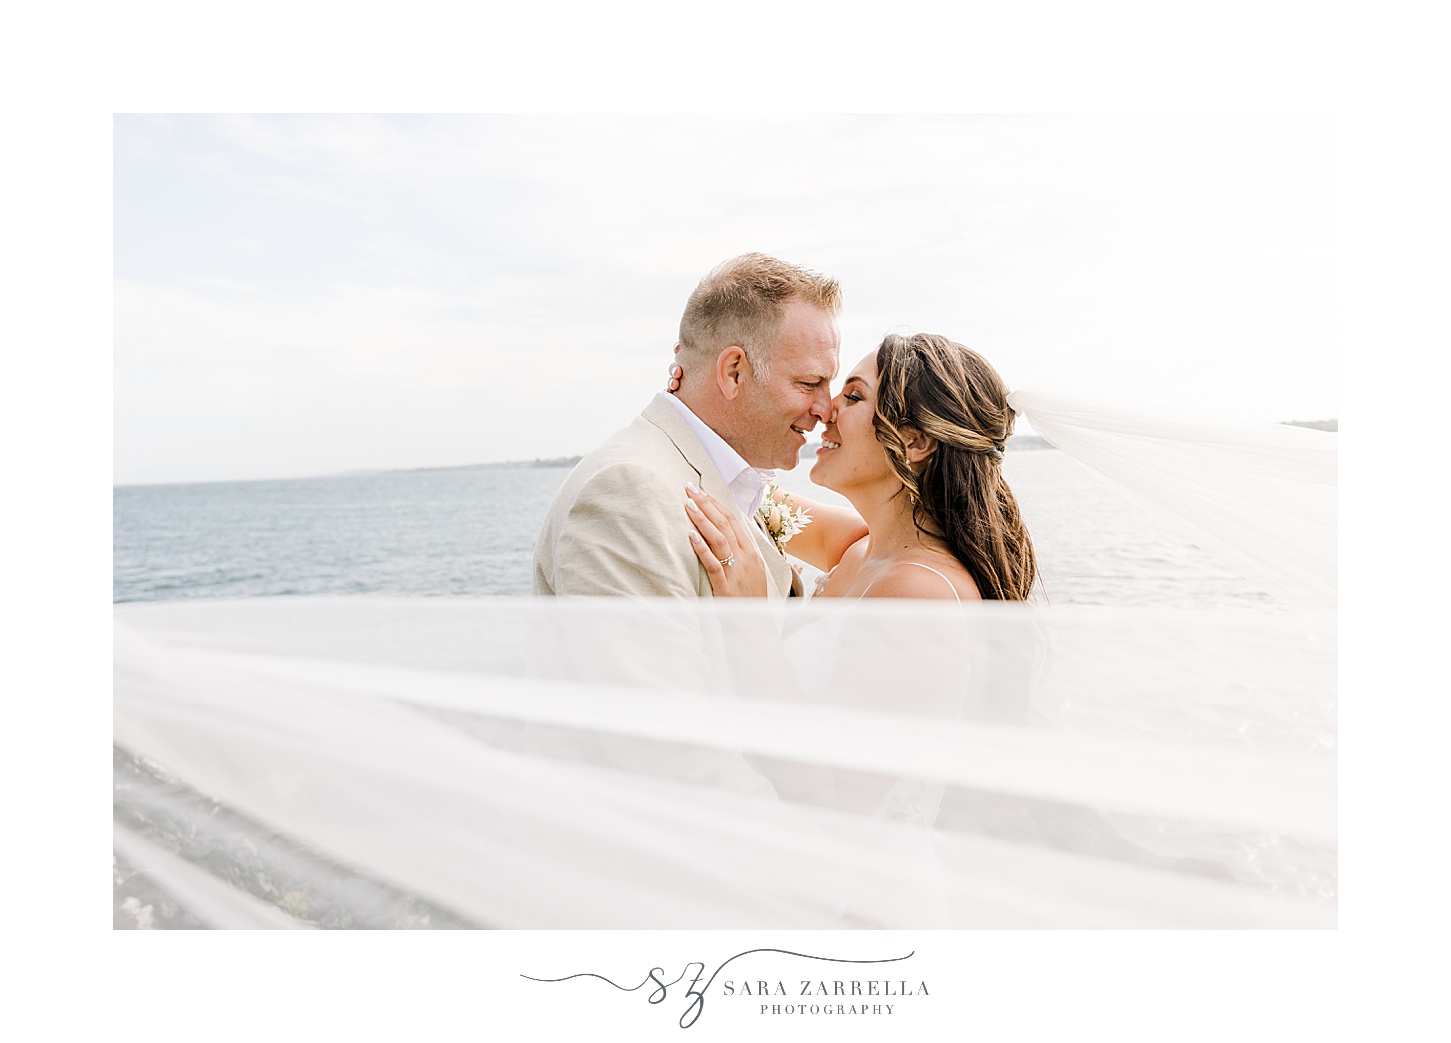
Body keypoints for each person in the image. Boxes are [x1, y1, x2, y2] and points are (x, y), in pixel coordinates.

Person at [532, 252, 844, 599]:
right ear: (734, 372)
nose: (826, 409)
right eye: (809, 382)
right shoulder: (630, 492)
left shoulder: (723, 478)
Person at [682, 331, 1038, 603]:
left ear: (914, 442)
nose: (824, 409)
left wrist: (750, 616)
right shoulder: (863, 546)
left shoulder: (920, 591)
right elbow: (750, 492)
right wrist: (695, 394)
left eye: (853, 396)